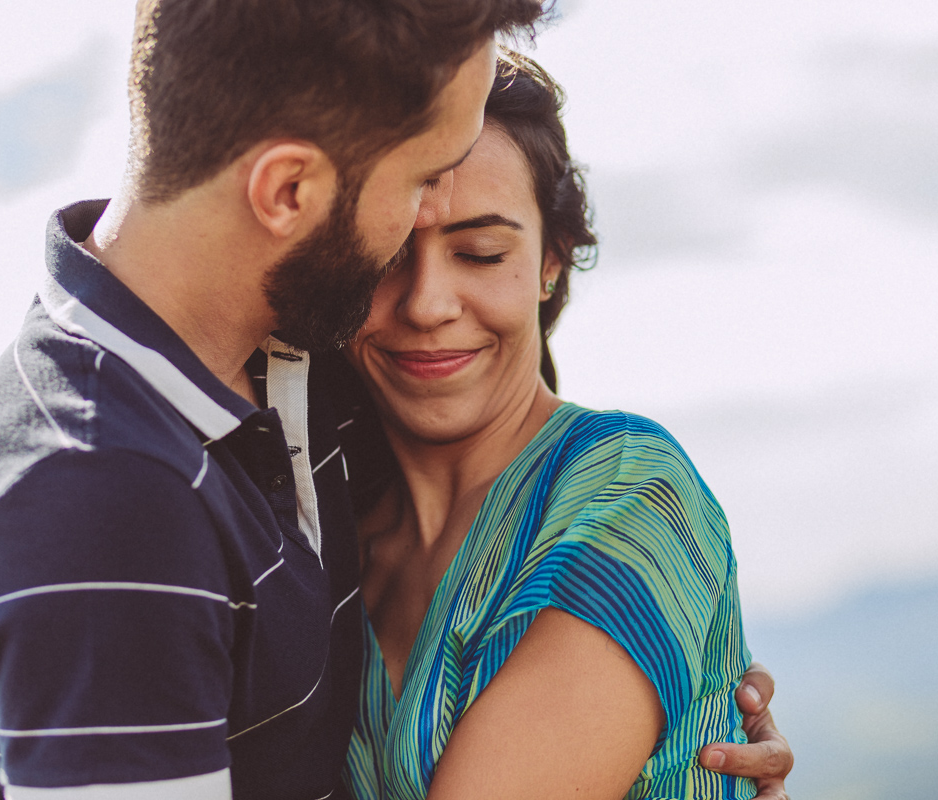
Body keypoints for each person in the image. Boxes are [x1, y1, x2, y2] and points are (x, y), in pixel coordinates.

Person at [0, 2, 541, 798]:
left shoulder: (302, 342)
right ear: (289, 191)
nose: (433, 211)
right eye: (425, 178)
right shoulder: (96, 509)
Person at [333, 54, 789, 799]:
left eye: (481, 253)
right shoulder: (327, 543)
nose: (426, 303)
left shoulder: (629, 492)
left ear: (552, 261)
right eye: (384, 257)